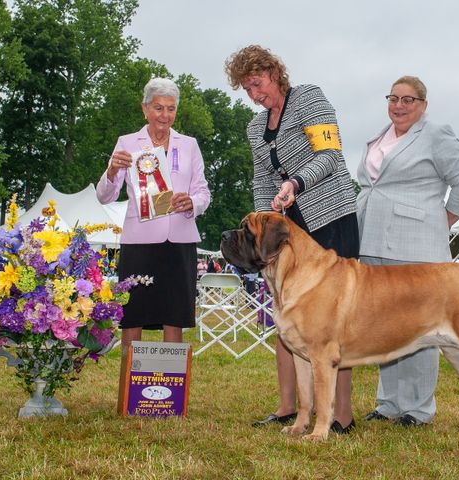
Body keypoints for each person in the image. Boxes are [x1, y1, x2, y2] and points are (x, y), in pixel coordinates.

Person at [225, 45, 359, 433]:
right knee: (286, 317)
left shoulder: (309, 98)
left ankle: (340, 415)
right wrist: (259, 222)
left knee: (334, 324)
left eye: (257, 83)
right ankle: (289, 408)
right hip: (283, 233)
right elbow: (260, 180)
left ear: (273, 71)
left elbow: (329, 155)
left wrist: (296, 182)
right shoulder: (255, 127)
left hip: (329, 217)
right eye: (246, 89)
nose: (254, 95)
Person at [356, 76, 459, 427]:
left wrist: (444, 220)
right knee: (384, 325)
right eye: (394, 98)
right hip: (371, 241)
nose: (399, 105)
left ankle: (418, 409)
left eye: (409, 99)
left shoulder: (436, 135)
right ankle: (389, 403)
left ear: (424, 104)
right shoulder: (379, 136)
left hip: (417, 244)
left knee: (423, 328)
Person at [96, 78, 210, 411]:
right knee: (134, 316)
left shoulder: (188, 145)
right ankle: (130, 396)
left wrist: (194, 203)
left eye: (171, 109)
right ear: (145, 108)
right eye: (158, 107)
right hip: (139, 240)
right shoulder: (127, 143)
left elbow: (203, 191)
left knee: (174, 315)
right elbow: (106, 195)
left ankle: (170, 397)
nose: (164, 115)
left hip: (179, 240)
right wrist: (111, 170)